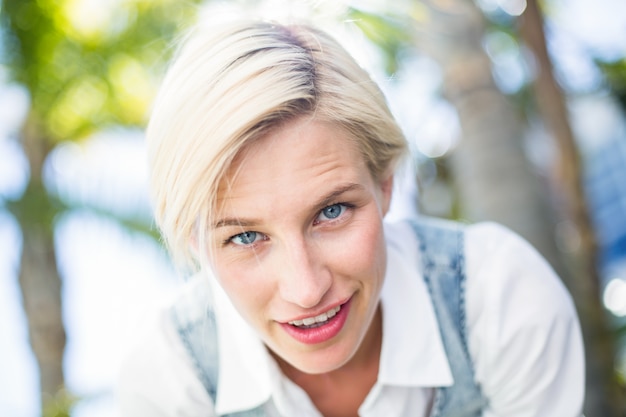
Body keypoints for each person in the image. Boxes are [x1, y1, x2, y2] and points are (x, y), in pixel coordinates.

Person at [118, 18, 585, 417]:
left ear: (385, 184)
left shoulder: (498, 299)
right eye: (245, 237)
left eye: (331, 211)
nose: (306, 289)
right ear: (196, 242)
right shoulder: (169, 382)